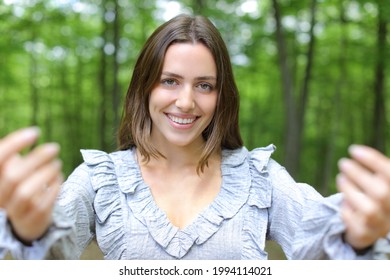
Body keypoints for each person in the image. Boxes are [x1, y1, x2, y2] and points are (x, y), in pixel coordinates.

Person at [1, 14, 390, 260]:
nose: (186, 102)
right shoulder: (100, 179)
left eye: (204, 85)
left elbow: (319, 246)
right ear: (144, 89)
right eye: (170, 81)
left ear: (223, 95)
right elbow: (49, 253)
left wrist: (356, 238)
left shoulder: (261, 178)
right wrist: (25, 231)